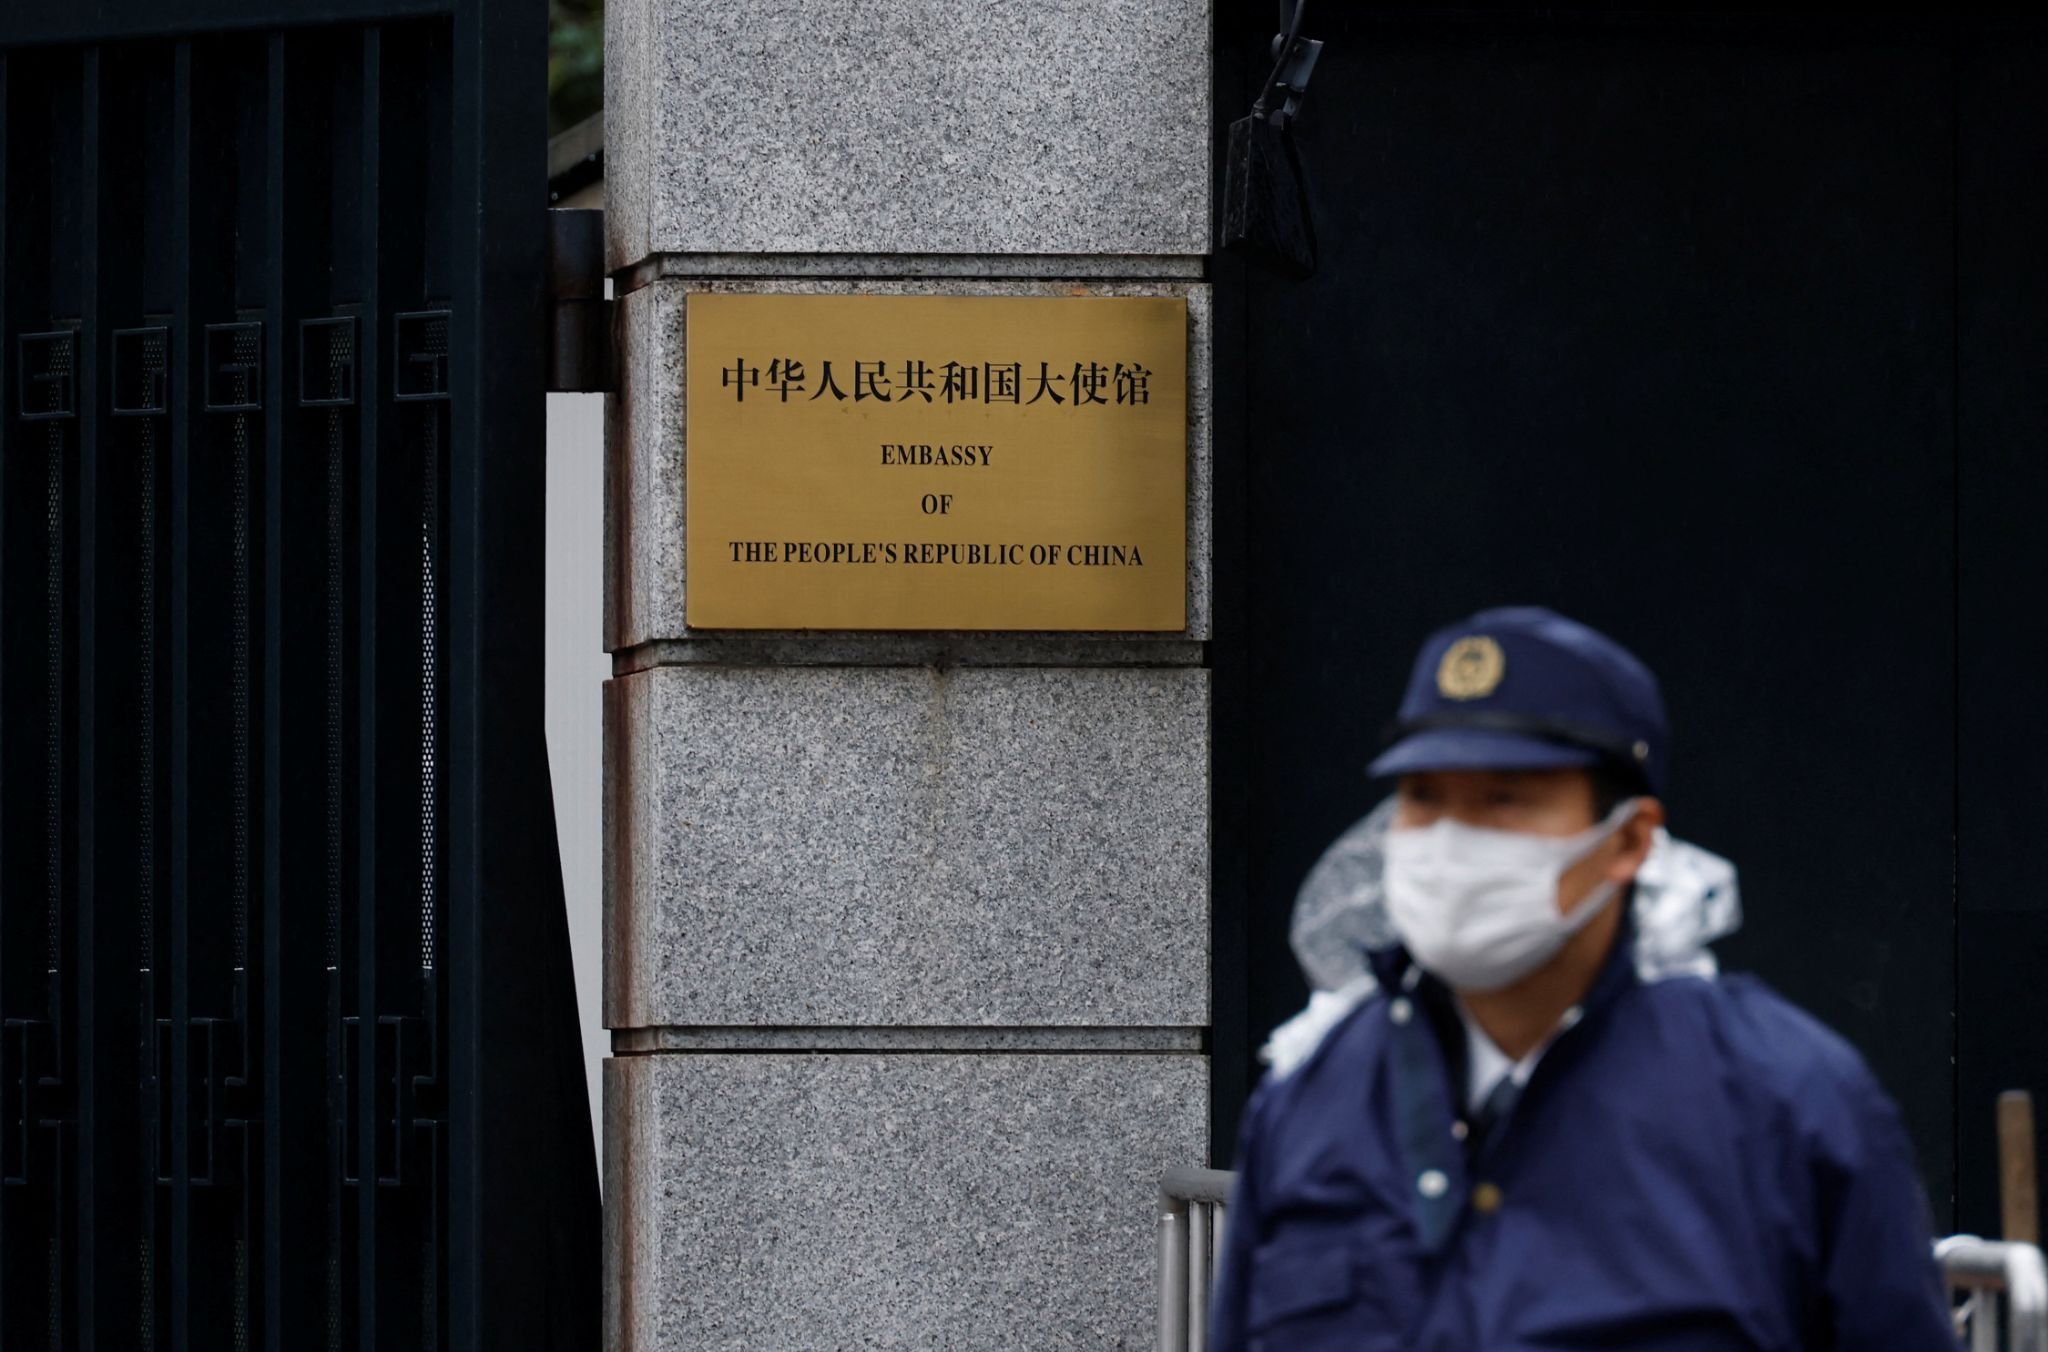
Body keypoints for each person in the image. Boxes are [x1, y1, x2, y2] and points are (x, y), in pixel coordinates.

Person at [1209, 607, 1955, 1350]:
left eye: (1505, 799)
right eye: (1423, 798)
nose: (1450, 841)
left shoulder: (1788, 1107)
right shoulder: (1307, 1103)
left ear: (1629, 840)